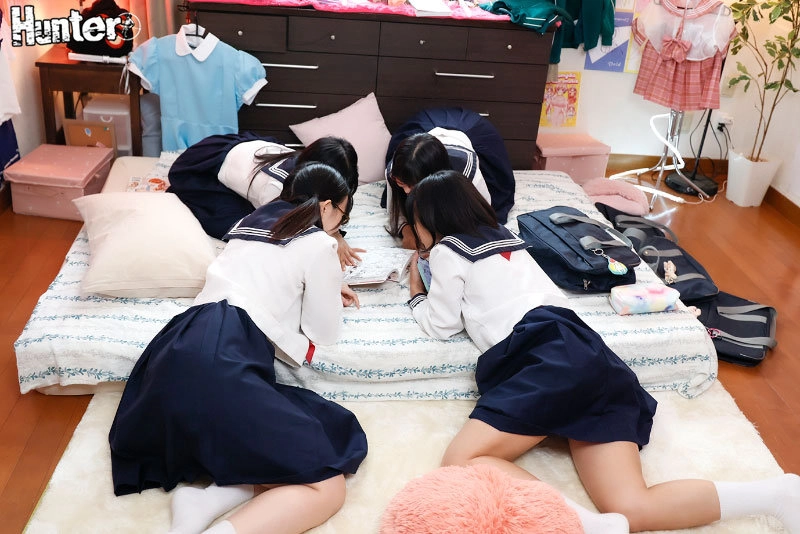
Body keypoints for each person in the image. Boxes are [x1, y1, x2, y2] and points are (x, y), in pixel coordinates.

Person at [403, 170, 800, 534]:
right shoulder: (510, 239)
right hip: (587, 351)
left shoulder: (448, 250)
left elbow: (441, 324)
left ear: (429, 219)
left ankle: (588, 525)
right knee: (632, 507)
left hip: (541, 357)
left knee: (460, 460)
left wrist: (416, 290)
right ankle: (777, 494)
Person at [109, 162, 368, 534]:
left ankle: (207, 499)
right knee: (327, 480)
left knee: (322, 426)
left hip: (172, 353)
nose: (340, 225)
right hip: (222, 362)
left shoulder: (250, 223)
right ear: (327, 206)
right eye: (343, 215)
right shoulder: (319, 243)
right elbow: (323, 332)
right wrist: (327, 285)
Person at [167, 132, 363, 267]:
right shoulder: (276, 188)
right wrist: (331, 238)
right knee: (239, 226)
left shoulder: (307, 174)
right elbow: (287, 237)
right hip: (204, 166)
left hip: (247, 151)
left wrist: (336, 232)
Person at [382, 107, 516, 248]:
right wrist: (407, 231)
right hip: (424, 125)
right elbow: (395, 210)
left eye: (413, 186)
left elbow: (481, 219)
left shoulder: (466, 172)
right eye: (402, 183)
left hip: (476, 134)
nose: (407, 191)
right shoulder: (395, 171)